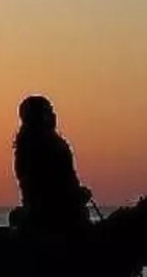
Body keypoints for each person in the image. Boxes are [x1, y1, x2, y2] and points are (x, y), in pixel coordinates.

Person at [9, 95, 92, 233]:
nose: (53, 115)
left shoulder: (24, 147)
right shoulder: (47, 147)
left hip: (42, 213)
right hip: (57, 217)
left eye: (52, 111)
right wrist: (80, 195)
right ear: (38, 117)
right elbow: (52, 190)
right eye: (48, 111)